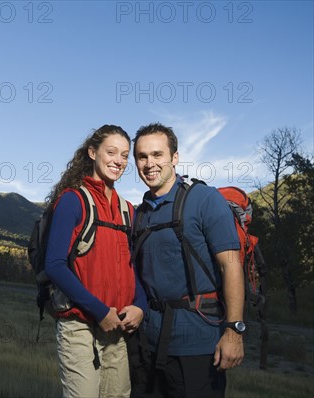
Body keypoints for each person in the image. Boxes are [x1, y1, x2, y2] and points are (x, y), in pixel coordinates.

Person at [130, 123, 244, 398]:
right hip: (149, 345)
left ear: (175, 158)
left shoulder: (205, 199)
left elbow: (231, 265)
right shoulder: (140, 213)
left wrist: (234, 331)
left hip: (199, 344)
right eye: (142, 157)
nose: (149, 164)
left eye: (157, 155)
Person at [44, 124, 147, 398]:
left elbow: (133, 267)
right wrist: (100, 311)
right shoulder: (73, 200)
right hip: (80, 325)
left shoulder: (128, 211)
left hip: (117, 326)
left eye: (125, 155)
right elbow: (54, 264)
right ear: (92, 152)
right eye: (111, 152)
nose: (119, 161)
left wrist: (141, 306)